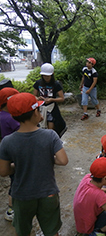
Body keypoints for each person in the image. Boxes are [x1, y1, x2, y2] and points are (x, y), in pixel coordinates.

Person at [0, 92, 68, 236]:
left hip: (22, 195)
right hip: (48, 193)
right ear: (36, 112)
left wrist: (19, 165)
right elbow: (63, 160)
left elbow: (4, 171)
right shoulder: (50, 135)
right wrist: (47, 158)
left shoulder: (7, 141)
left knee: (23, 231)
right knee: (51, 231)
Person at [0, 87, 20, 222]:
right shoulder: (11, 119)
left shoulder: (2, 116)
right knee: (16, 181)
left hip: (4, 153)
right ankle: (11, 209)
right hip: (15, 154)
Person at [33, 63, 67, 137]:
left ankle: (51, 142)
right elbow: (34, 96)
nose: (46, 78)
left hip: (51, 108)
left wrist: (52, 99)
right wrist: (38, 98)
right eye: (44, 76)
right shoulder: (38, 83)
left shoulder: (56, 84)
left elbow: (62, 98)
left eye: (48, 76)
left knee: (51, 128)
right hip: (41, 108)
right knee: (40, 127)